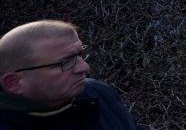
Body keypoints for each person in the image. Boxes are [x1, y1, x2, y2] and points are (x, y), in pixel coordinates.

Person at [0, 20, 148, 129]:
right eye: (65, 62)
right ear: (14, 82)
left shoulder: (98, 93)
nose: (84, 67)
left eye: (79, 54)